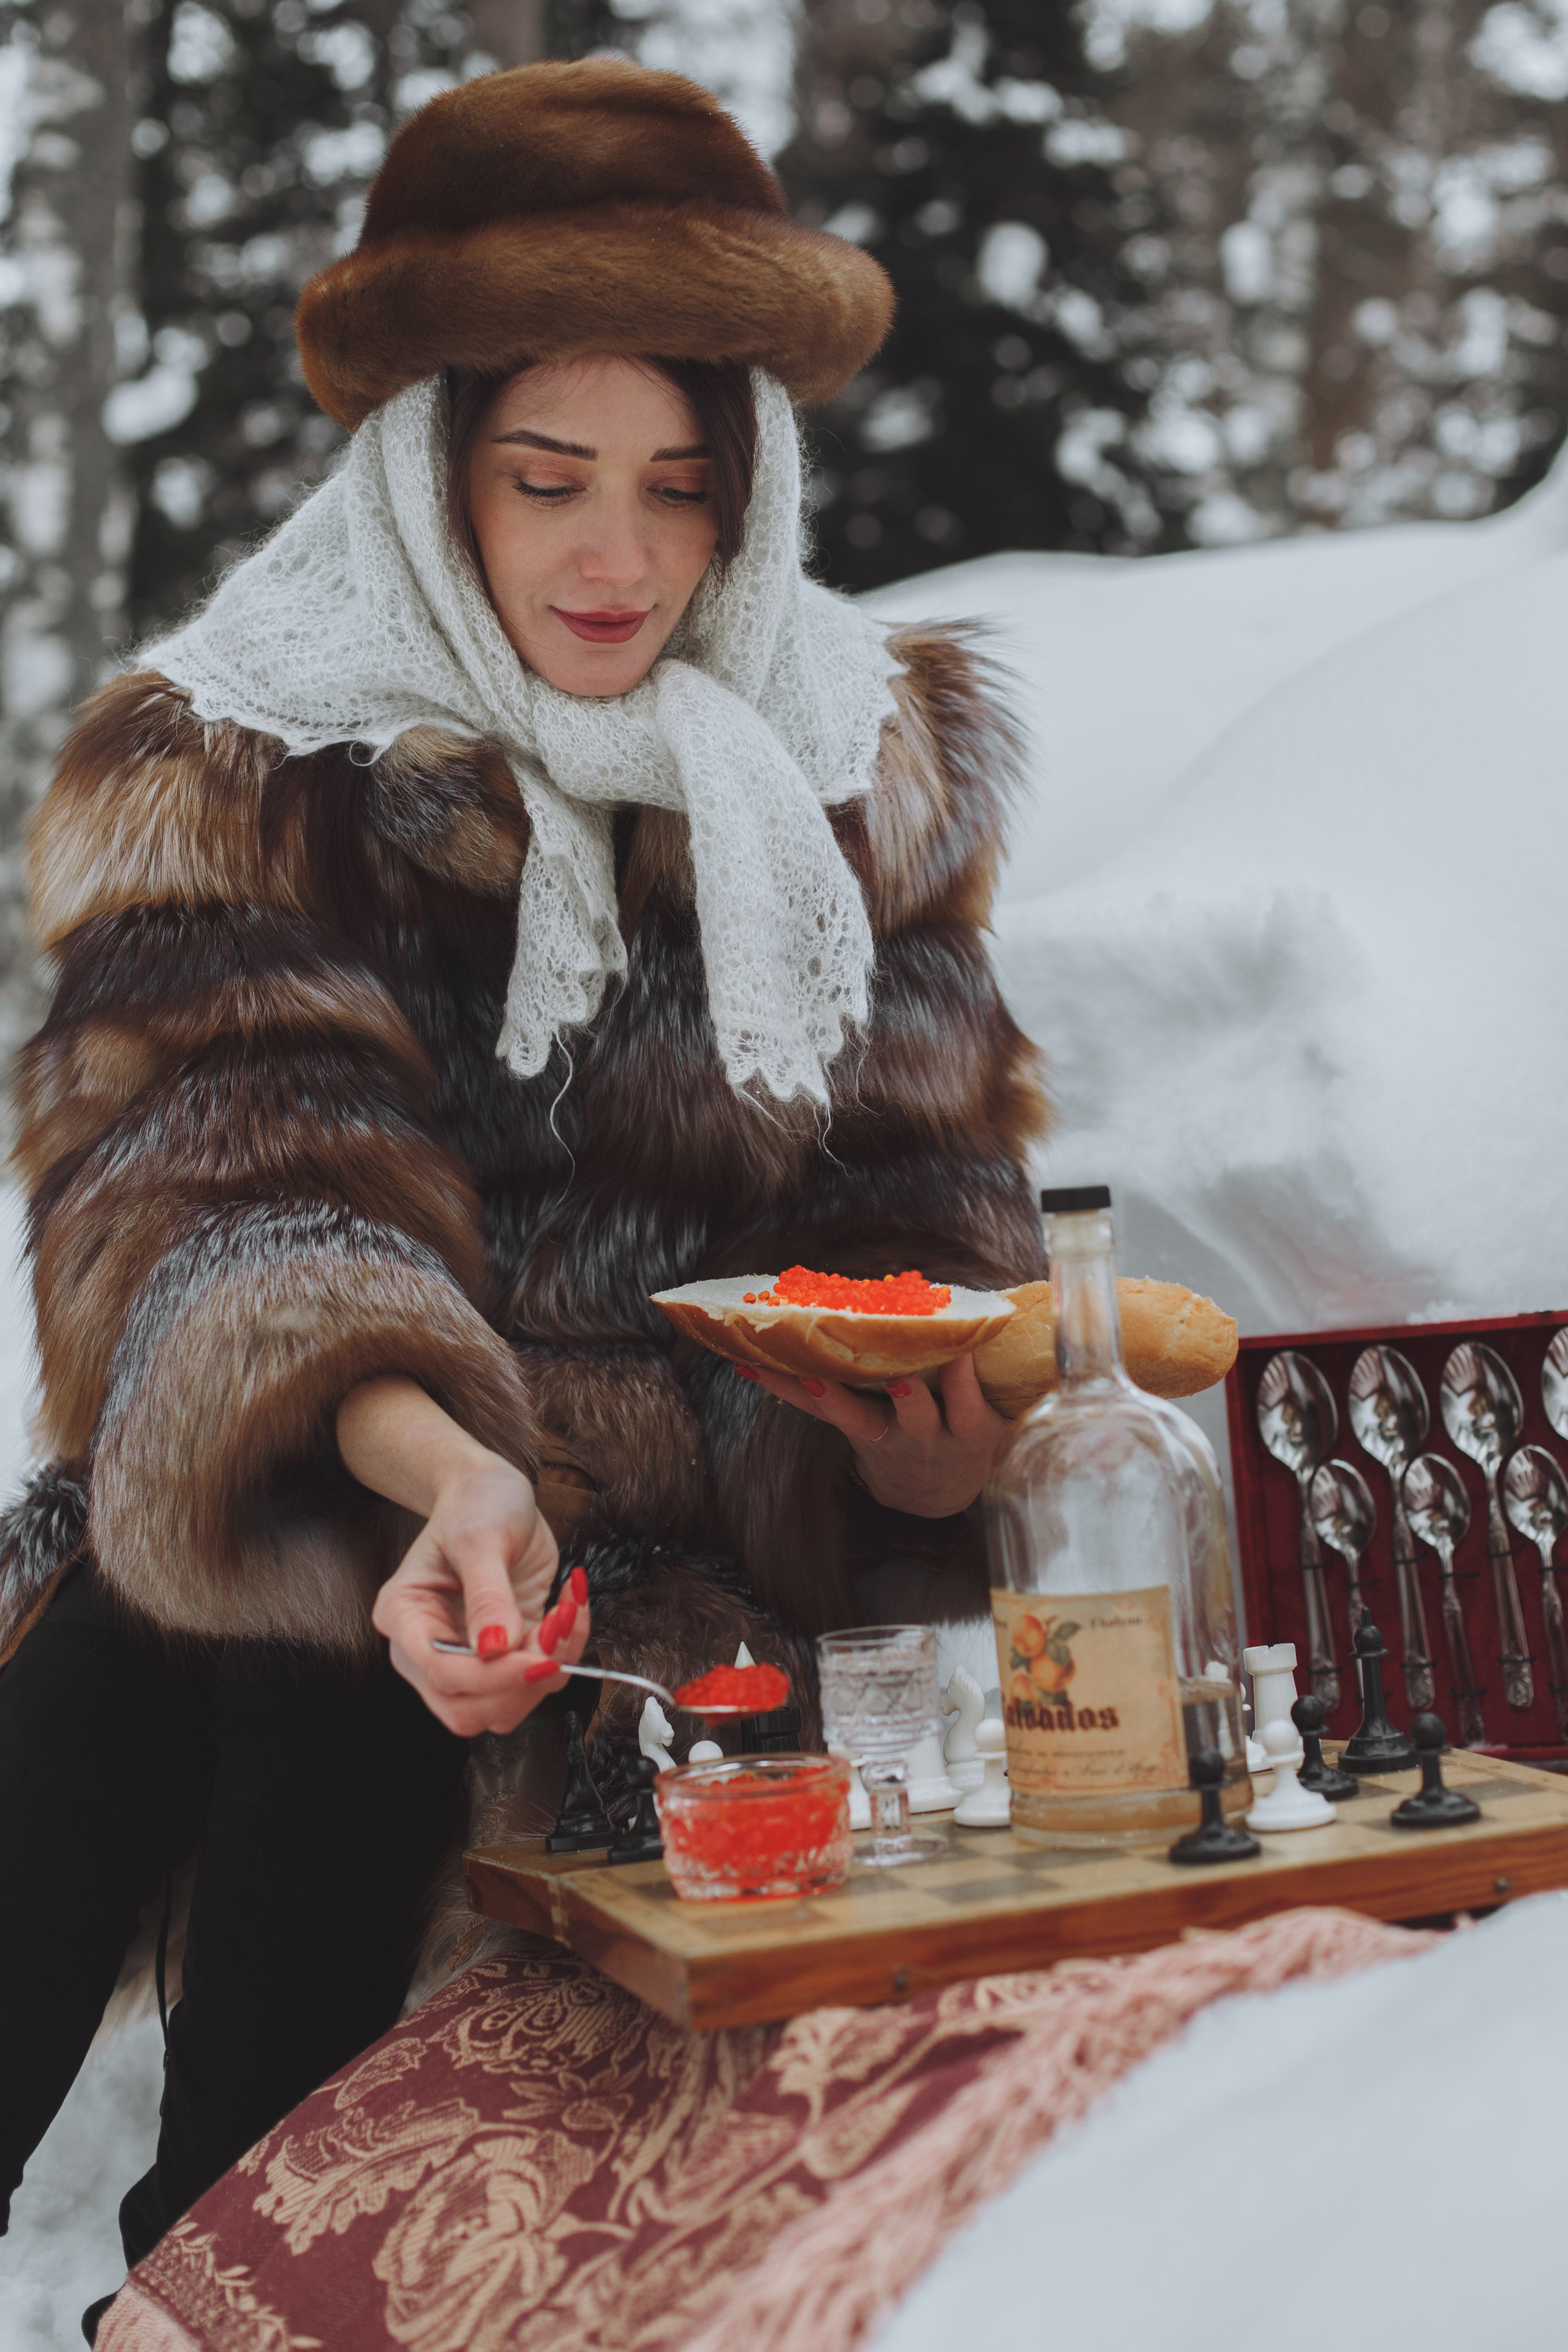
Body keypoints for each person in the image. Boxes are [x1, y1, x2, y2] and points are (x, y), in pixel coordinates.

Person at [0, 56, 1046, 2334]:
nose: (616, 559)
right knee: (250, 1616)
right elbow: (237, 1205)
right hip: (343, 1472)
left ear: (746, 500)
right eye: (548, 479)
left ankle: (207, 2289)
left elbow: (917, 1205)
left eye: (681, 490)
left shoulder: (853, 760)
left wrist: (916, 1420)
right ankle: (209, 2275)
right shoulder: (246, 761)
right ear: (428, 473)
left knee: (367, 1636)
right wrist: (444, 1459)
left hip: (679, 1561)